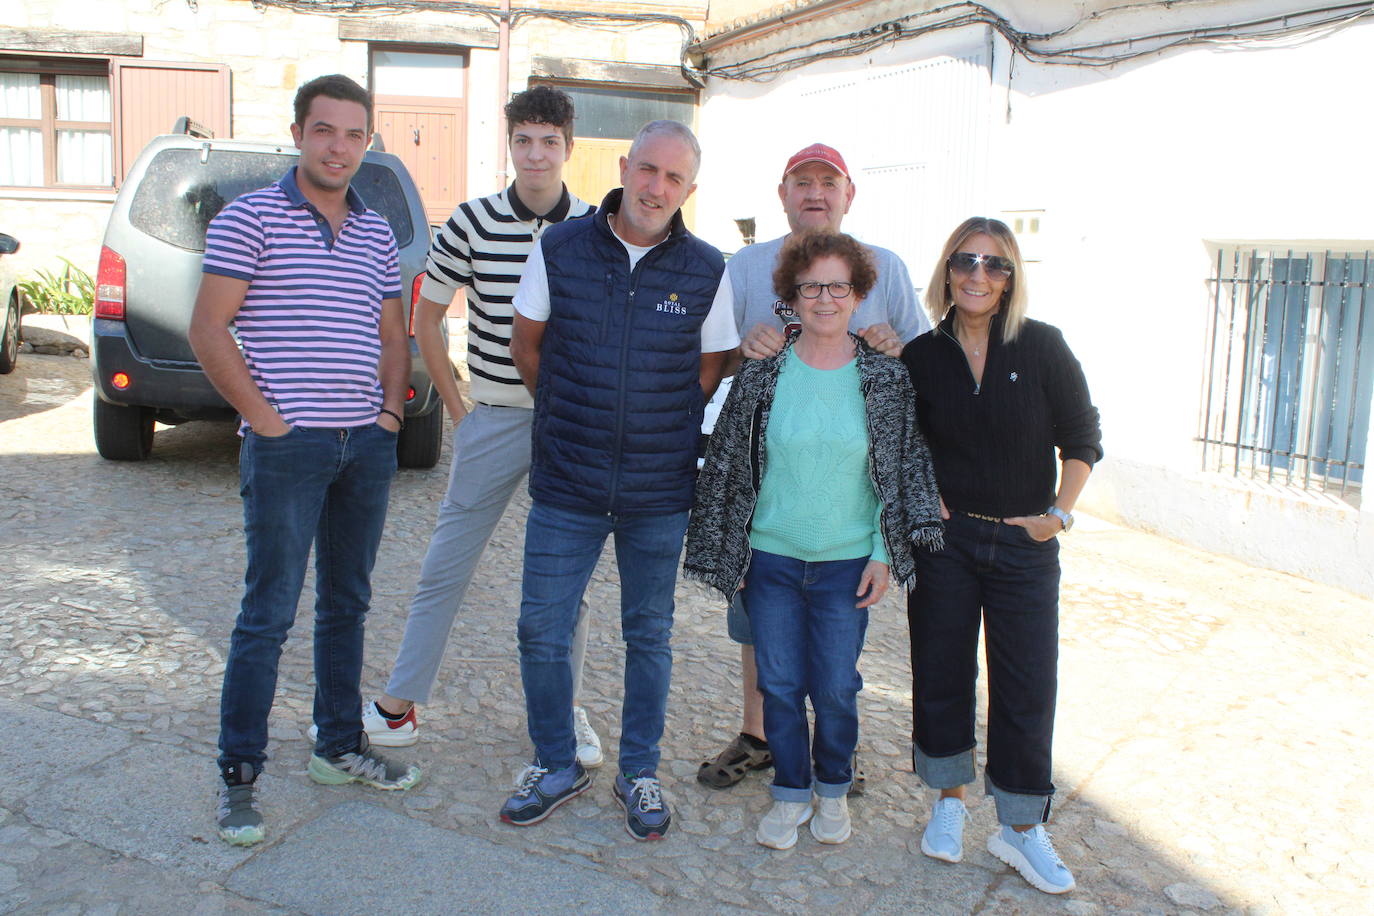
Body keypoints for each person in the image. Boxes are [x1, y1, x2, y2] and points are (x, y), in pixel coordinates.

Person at [311, 85, 605, 767]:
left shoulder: (594, 226)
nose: (536, 155)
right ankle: (398, 704)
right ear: (510, 145)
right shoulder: (471, 222)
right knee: (445, 567)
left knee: (570, 584)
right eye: (524, 141)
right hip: (495, 418)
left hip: (569, 430)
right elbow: (426, 319)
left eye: (549, 142)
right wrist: (458, 409)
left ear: (569, 148)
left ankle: (565, 710)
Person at [190, 74, 420, 848]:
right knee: (268, 612)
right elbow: (209, 329)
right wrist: (266, 421)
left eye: (356, 135)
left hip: (365, 444)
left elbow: (395, 335)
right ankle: (239, 777)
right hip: (290, 448)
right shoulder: (248, 218)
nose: (340, 148)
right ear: (298, 133)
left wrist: (390, 414)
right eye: (326, 131)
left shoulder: (376, 232)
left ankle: (337, 747)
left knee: (347, 603)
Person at [500, 120, 738, 840]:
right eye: (648, 170)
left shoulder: (706, 268)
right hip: (567, 483)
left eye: (674, 179)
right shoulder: (561, 247)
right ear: (625, 167)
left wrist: (660, 423)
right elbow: (526, 344)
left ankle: (639, 771)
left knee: (649, 635)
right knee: (540, 628)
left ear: (688, 190)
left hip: (657, 493)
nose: (656, 187)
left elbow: (712, 365)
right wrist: (575, 411)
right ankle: (554, 762)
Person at [685, 231, 943, 849]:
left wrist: (884, 553)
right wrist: (737, 551)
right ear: (791, 298)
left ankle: (832, 788)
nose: (824, 298)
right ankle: (790, 794)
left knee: (834, 686)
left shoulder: (885, 379)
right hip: (770, 560)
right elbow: (730, 466)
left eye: (837, 287)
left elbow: (899, 468)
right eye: (810, 287)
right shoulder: (762, 375)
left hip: (846, 563)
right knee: (776, 683)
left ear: (857, 296)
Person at [900, 217, 1101, 894]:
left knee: (1025, 683)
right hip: (948, 546)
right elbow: (906, 443)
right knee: (941, 671)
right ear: (947, 270)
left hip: (1024, 545)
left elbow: (1082, 438)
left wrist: (1058, 515)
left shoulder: (1042, 348)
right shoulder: (923, 355)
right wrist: (928, 497)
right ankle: (949, 802)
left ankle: (1019, 827)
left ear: (1011, 278)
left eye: (995, 265)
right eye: (966, 261)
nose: (978, 275)